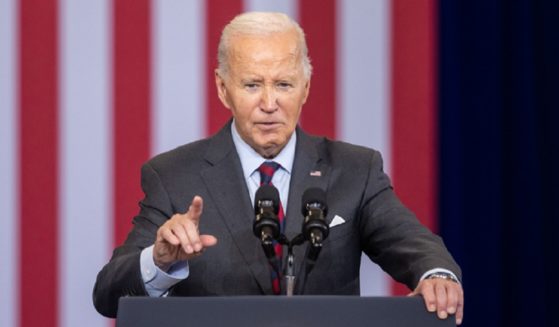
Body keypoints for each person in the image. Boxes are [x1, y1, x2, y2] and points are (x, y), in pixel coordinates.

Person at [93, 12, 464, 324]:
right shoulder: (174, 176)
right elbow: (109, 293)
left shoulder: (354, 170)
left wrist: (437, 275)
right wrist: (159, 261)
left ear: (305, 88)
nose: (269, 103)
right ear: (223, 89)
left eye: (284, 84)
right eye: (252, 84)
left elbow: (415, 245)